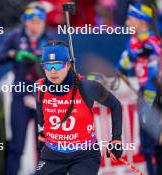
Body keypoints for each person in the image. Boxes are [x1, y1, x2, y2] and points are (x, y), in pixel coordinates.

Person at [35, 41, 123, 175]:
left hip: (84, 155)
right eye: (48, 66)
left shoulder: (87, 87)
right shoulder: (39, 87)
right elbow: (41, 113)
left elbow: (115, 105)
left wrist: (116, 138)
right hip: (52, 155)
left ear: (68, 65)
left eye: (58, 65)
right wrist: (42, 133)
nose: (53, 71)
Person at [0, 5, 53, 175]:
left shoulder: (49, 38)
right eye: (31, 22)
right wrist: (13, 54)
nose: (34, 26)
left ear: (43, 23)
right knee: (16, 145)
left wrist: (44, 60)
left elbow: (66, 64)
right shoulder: (16, 36)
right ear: (25, 22)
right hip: (20, 93)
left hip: (42, 97)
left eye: (38, 22)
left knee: (44, 146)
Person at [118, 2, 162, 175]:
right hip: (146, 95)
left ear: (142, 21)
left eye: (130, 19)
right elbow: (122, 66)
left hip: (155, 95)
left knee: (152, 145)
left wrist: (148, 102)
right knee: (149, 146)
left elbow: (155, 74)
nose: (127, 23)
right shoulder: (134, 42)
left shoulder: (152, 42)